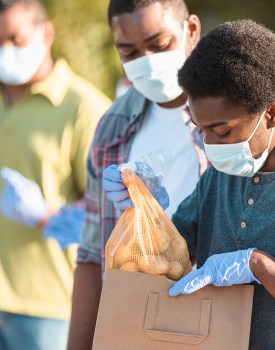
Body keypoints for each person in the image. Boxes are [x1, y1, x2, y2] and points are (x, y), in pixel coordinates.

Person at [104, 19, 275, 348]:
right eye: (201, 129)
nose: (210, 144)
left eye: (222, 132)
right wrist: (144, 212)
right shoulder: (221, 176)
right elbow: (168, 263)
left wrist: (258, 265)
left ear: (273, 113)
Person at [67, 1, 210, 348]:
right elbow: (91, 252)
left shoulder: (234, 117)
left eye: (159, 45)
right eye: (129, 52)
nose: (146, 61)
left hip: (209, 317)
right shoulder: (112, 126)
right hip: (133, 323)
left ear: (191, 31)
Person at [0, 0, 111, 348]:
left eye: (14, 40)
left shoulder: (85, 108)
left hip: (47, 307)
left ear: (47, 33)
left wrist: (46, 217)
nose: (5, 51)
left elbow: (110, 212)